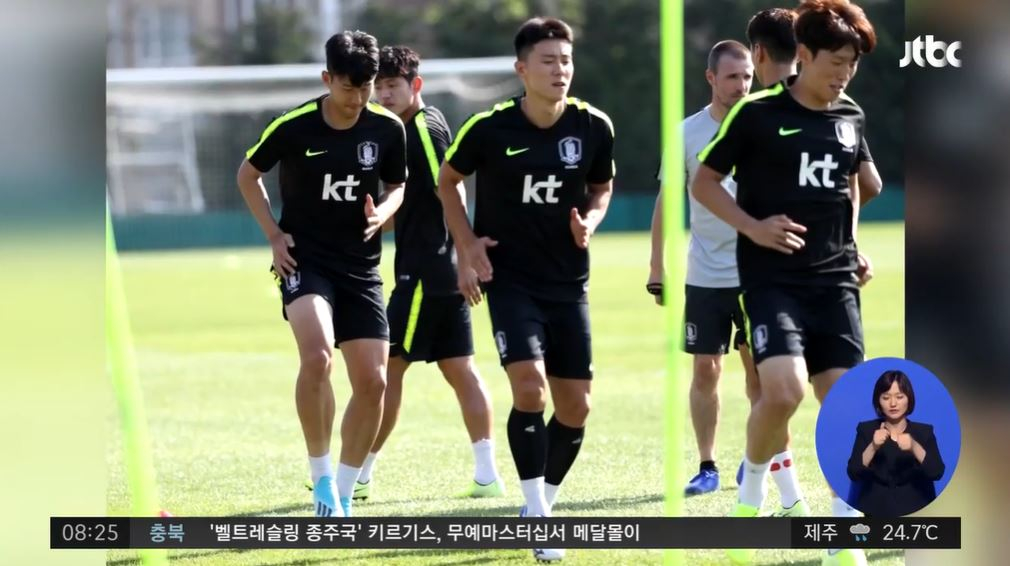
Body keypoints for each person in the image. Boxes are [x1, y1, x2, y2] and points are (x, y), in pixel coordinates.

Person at [691, 1, 877, 564]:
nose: (844, 72)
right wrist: (753, 226)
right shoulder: (757, 114)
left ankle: (844, 535)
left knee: (845, 404)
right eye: (836, 61)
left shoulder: (851, 117)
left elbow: (853, 186)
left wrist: (852, 244)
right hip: (772, 281)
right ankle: (749, 499)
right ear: (804, 56)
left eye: (853, 62)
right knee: (784, 392)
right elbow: (703, 182)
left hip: (834, 282)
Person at [438, 16, 615, 563]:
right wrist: (466, 246)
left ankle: (546, 500)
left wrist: (591, 218)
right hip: (510, 278)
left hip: (568, 282)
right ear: (522, 70)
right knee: (530, 389)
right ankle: (537, 514)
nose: (560, 70)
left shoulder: (593, 126)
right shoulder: (488, 128)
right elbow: (448, 180)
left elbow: (602, 185)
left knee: (577, 407)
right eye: (548, 61)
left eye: (565, 60)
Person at [237, 30, 406, 518]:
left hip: (361, 267)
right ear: (326, 78)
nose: (357, 99)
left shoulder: (387, 128)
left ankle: (346, 492)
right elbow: (248, 174)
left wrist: (384, 212)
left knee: (373, 381)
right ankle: (322, 480)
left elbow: (398, 184)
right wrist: (273, 234)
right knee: (317, 358)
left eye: (366, 87)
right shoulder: (293, 127)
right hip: (305, 260)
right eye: (348, 88)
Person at [361, 45, 504, 499]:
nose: (384, 95)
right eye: (378, 87)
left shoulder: (423, 131)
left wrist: (464, 258)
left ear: (414, 86)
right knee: (460, 367)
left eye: (392, 86)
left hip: (426, 271)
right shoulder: (405, 126)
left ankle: (359, 474)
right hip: (435, 267)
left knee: (387, 370)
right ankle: (487, 476)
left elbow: (452, 189)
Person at [647, 40, 761, 497]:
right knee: (705, 371)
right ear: (712, 78)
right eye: (732, 77)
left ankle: (755, 463)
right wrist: (658, 267)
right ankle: (708, 465)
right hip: (705, 275)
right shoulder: (687, 133)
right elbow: (666, 202)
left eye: (748, 76)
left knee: (759, 374)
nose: (741, 85)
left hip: (757, 274)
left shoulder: (764, 126)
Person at [847, 370, 945, 517]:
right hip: (877, 512)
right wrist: (873, 446)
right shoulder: (866, 430)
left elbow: (936, 472)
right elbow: (853, 472)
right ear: (878, 401)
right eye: (886, 397)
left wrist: (913, 446)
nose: (893, 403)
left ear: (909, 399)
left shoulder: (924, 432)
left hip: (917, 512)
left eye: (899, 397)